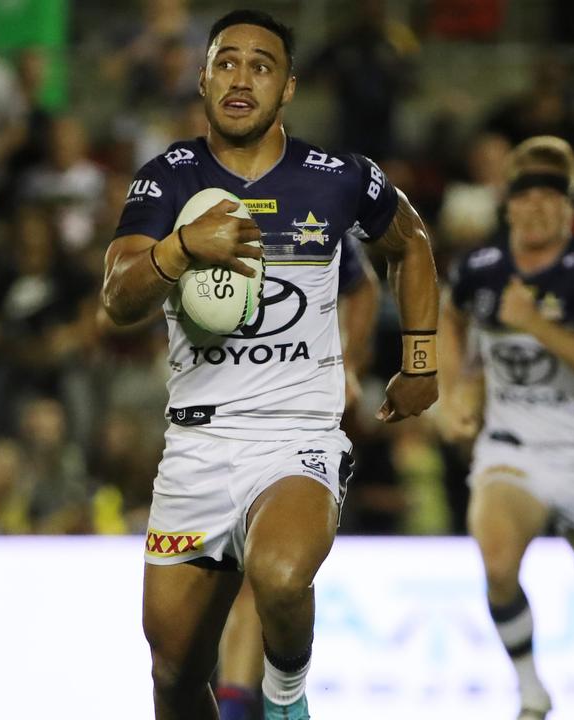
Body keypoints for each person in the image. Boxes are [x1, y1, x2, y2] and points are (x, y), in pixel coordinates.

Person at [99, 10, 440, 720]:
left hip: (296, 437)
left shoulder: (338, 177)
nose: (242, 77)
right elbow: (116, 298)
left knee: (281, 577)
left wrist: (419, 359)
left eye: (262, 65)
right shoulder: (168, 179)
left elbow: (411, 244)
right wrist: (183, 247)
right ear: (202, 78)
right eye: (227, 62)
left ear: (288, 87)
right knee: (171, 672)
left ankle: (287, 700)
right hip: (195, 444)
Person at [439, 136, 574, 720]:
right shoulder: (481, 269)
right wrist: (454, 385)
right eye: (524, 198)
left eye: (548, 199)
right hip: (513, 451)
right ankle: (531, 690)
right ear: (506, 205)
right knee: (499, 565)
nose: (535, 210)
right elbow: (449, 314)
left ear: (569, 209)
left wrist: (532, 322)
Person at [214, 236, 381, 720]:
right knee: (242, 581)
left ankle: (275, 701)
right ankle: (258, 701)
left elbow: (363, 286)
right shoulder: (193, 199)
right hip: (215, 429)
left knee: (270, 574)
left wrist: (351, 364)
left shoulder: (309, 200)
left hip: (300, 427)